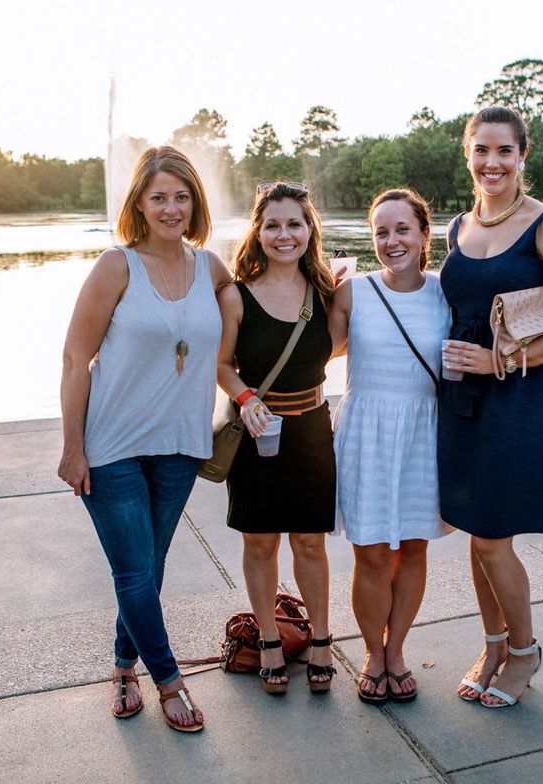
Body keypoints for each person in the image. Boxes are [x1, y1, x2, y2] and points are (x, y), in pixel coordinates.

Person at [58, 146, 231, 732]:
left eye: (182, 196)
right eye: (158, 196)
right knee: (133, 571)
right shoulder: (116, 266)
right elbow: (76, 358)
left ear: (195, 203)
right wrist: (72, 448)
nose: (171, 207)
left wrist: (319, 283)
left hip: (182, 444)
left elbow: (247, 305)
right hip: (112, 447)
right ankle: (169, 682)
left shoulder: (210, 267)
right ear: (139, 202)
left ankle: (122, 664)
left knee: (148, 566)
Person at [439, 107, 543, 709]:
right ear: (468, 155)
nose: (492, 162)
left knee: (492, 539)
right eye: (481, 150)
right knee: (476, 532)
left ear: (523, 156)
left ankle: (524, 652)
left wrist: (498, 363)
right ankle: (494, 644)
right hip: (461, 403)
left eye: (504, 151)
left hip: (518, 399)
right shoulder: (457, 229)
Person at [328, 188, 452, 704]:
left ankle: (396, 650)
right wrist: (318, 294)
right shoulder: (353, 291)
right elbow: (321, 353)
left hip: (425, 430)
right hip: (367, 431)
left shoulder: (447, 292)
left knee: (414, 548)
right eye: (382, 232)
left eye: (403, 229)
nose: (392, 240)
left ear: (425, 235)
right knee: (374, 552)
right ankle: (372, 655)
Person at [216, 182, 337, 695]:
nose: (283, 235)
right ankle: (268, 638)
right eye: (272, 225)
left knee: (310, 542)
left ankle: (322, 639)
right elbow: (221, 365)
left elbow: (341, 349)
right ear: (257, 232)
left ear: (310, 230)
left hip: (311, 432)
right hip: (257, 434)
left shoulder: (329, 295)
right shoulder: (236, 296)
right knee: (261, 542)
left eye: (294, 224)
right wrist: (246, 398)